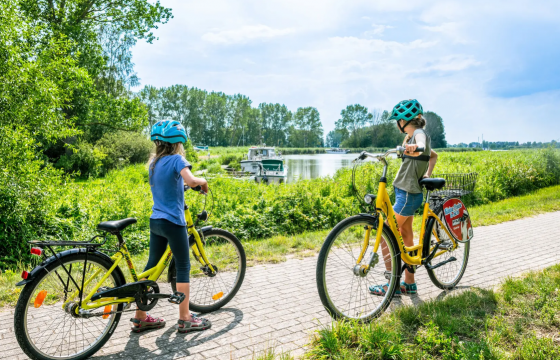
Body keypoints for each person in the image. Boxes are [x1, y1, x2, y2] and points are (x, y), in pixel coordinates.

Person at [131, 120, 212, 333]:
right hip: (173, 222)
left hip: (156, 221)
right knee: (183, 267)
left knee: (152, 267)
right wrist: (202, 181)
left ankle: (140, 317)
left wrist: (183, 185)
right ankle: (185, 318)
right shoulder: (177, 159)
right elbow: (192, 180)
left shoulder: (154, 163)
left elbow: (171, 183)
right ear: (178, 143)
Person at [369, 99, 438, 296]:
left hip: (408, 194)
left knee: (386, 236)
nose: (397, 124)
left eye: (397, 120)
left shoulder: (418, 134)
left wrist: (415, 148)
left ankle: (392, 285)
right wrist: (427, 173)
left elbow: (423, 145)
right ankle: (409, 283)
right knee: (405, 234)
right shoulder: (409, 137)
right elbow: (433, 156)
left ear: (403, 121)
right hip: (405, 192)